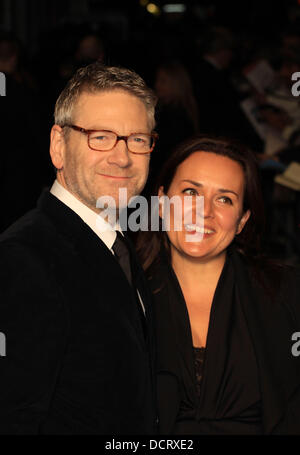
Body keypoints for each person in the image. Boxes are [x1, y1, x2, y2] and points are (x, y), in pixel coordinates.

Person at [0, 63, 158, 435]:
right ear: (58, 145)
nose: (121, 157)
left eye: (137, 138)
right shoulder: (23, 260)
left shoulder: (116, 242)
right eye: (100, 136)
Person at [137, 135, 300, 435]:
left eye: (224, 199)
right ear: (160, 203)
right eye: (190, 192)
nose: (204, 212)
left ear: (241, 221)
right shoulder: (122, 295)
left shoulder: (288, 292)